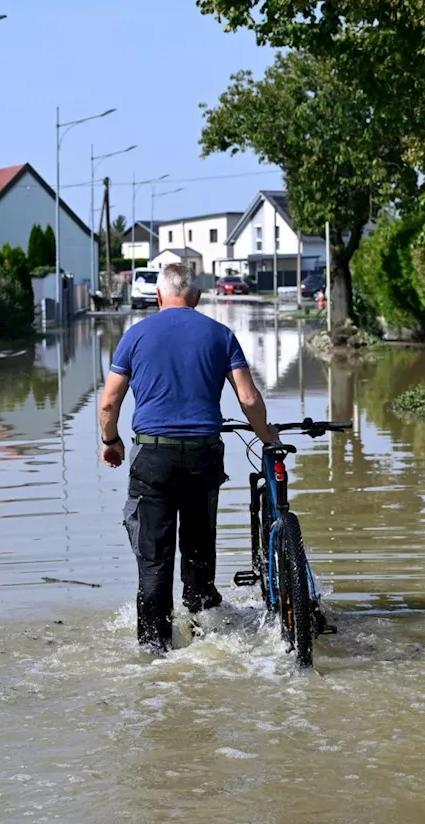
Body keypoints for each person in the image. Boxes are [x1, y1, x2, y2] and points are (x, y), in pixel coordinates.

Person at [98, 263, 278, 653]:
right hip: (203, 455)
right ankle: (207, 635)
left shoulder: (135, 336)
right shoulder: (221, 334)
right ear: (196, 298)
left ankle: (153, 649)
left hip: (153, 457)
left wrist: (110, 440)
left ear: (159, 297)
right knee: (198, 549)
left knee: (154, 561)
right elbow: (248, 399)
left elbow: (109, 401)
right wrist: (267, 437)